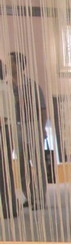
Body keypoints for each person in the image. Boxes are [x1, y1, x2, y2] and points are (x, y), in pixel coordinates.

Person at [10, 51, 48, 210]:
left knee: (37, 163)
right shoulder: (7, 86)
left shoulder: (32, 85)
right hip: (16, 126)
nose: (9, 65)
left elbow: (42, 109)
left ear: (19, 65)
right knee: (22, 164)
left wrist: (42, 127)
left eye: (12, 62)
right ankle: (29, 195)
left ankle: (39, 197)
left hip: (32, 125)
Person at [0, 61, 18, 218]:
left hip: (3, 130)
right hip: (9, 129)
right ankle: (10, 206)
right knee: (6, 171)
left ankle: (8, 207)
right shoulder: (7, 88)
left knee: (3, 172)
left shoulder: (2, 89)